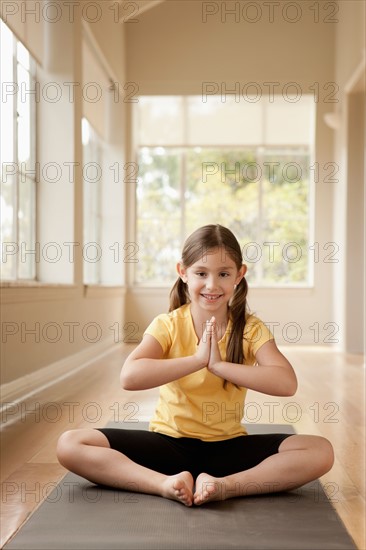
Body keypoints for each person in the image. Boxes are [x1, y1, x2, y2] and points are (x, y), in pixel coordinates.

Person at [57, 224, 334, 507]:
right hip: (167, 444)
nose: (212, 285)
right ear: (183, 272)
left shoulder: (250, 328)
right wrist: (196, 361)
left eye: (223, 274)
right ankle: (164, 484)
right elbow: (130, 377)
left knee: (320, 451)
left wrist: (218, 366)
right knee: (70, 444)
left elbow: (286, 383)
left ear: (239, 275)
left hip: (227, 449)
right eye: (201, 273)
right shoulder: (168, 324)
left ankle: (224, 487)